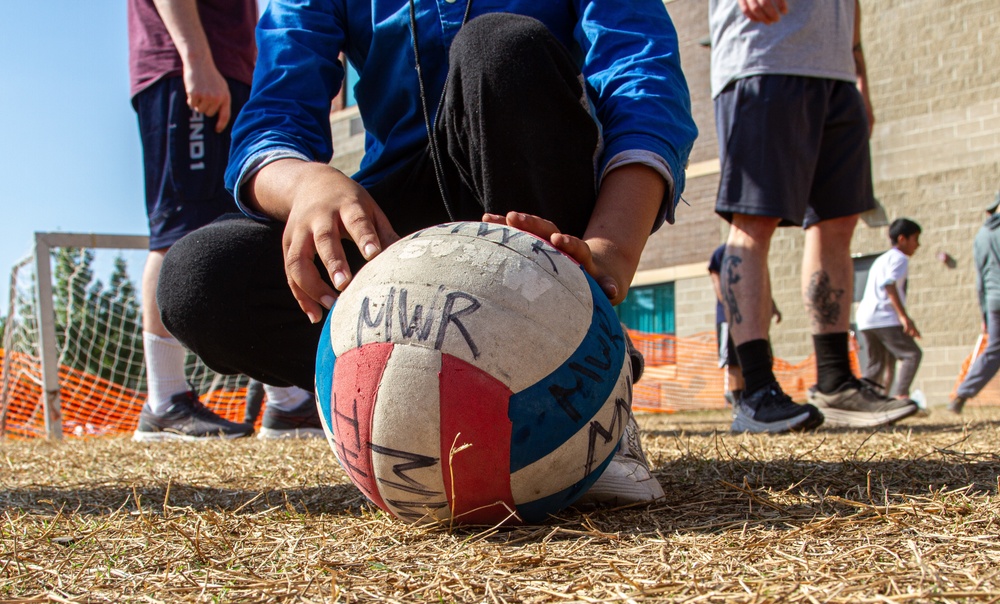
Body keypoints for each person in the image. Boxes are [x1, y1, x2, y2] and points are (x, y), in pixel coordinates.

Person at [156, 1, 698, 503]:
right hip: (395, 223)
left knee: (500, 48)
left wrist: (610, 251)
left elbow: (641, 76)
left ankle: (589, 402)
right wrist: (307, 184)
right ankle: (398, 418)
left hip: (533, 215)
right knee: (200, 279)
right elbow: (273, 115)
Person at [709, 0, 918, 432]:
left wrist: (860, 74)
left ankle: (836, 382)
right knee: (752, 221)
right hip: (762, 59)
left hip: (837, 73)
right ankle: (755, 391)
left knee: (838, 222)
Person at [128, 0, 324, 441]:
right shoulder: (193, 62)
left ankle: (289, 402)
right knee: (179, 229)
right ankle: (165, 401)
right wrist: (196, 60)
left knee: (239, 228)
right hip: (188, 73)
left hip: (231, 74)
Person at [855, 217, 923, 400]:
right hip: (884, 318)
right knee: (912, 354)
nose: (918, 245)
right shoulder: (900, 259)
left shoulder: (881, 260)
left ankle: (867, 400)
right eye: (915, 239)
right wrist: (904, 317)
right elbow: (889, 285)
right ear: (902, 239)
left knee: (878, 365)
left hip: (866, 319)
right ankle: (901, 396)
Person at [708, 243, 782, 407]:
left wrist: (771, 305)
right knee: (733, 361)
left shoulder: (751, 250)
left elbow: (760, 283)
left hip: (753, 318)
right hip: (731, 318)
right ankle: (738, 403)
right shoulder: (721, 252)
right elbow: (717, 281)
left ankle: (756, 397)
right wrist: (730, 307)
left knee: (763, 356)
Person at [949, 192, 1000, 414]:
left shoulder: (981, 235)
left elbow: (980, 279)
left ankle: (962, 393)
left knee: (994, 350)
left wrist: (984, 314)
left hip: (993, 301)